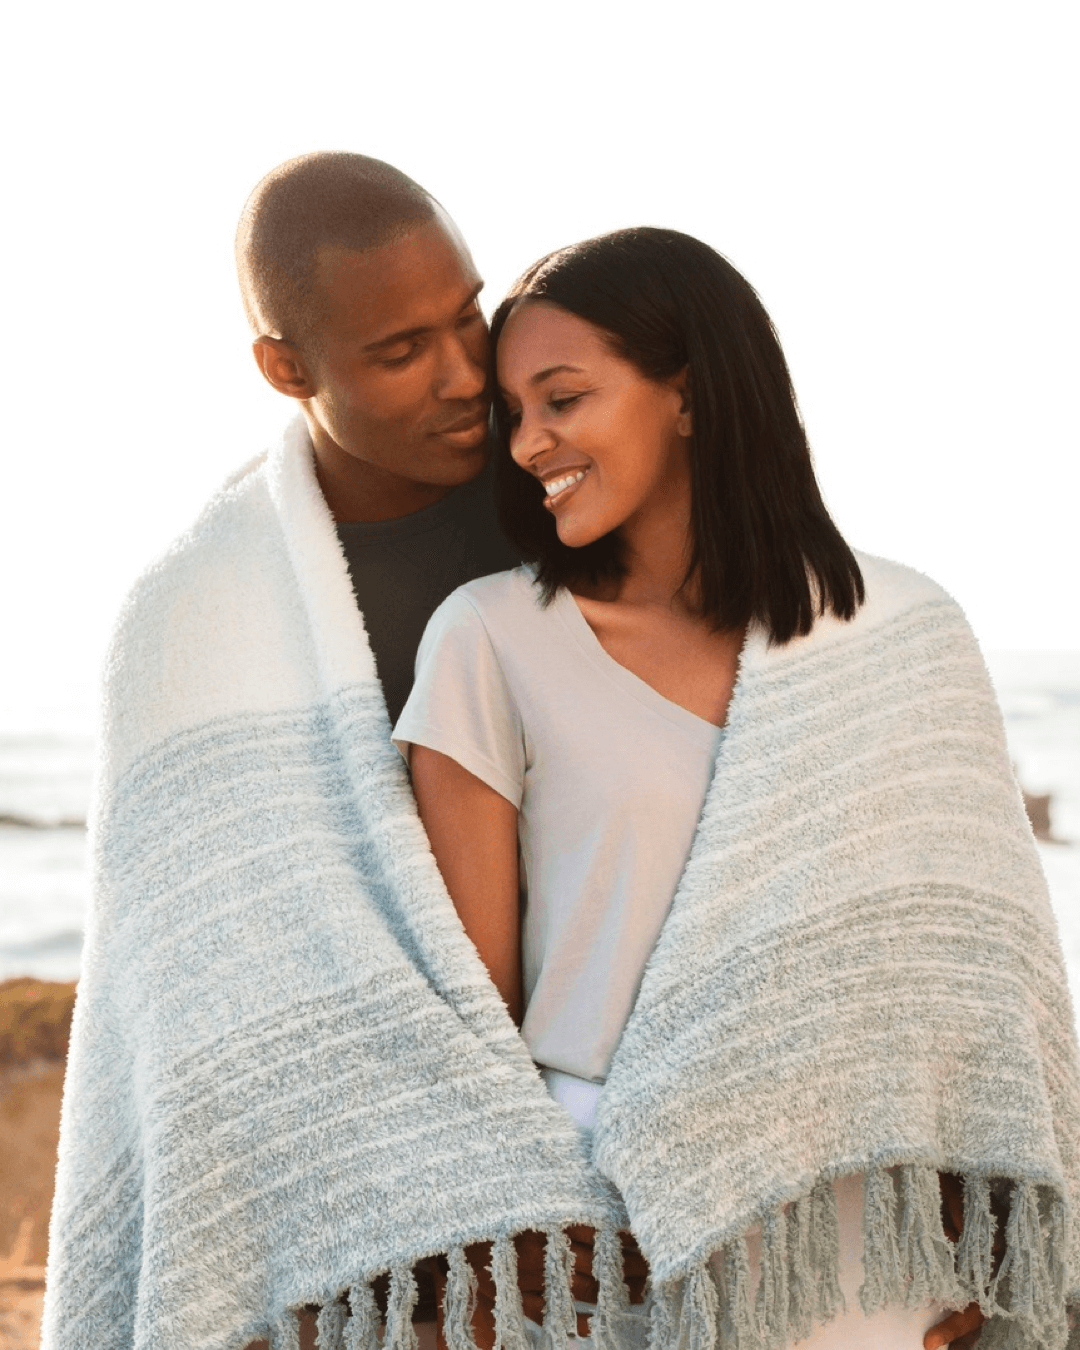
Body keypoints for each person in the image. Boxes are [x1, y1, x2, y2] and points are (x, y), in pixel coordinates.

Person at [392, 228, 1080, 1349]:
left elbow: (984, 972)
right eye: (513, 414)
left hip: (863, 1228)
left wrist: (984, 1216)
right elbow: (470, 1019)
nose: (528, 443)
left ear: (691, 397)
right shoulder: (491, 639)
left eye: (562, 398)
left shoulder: (905, 630)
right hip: (602, 1220)